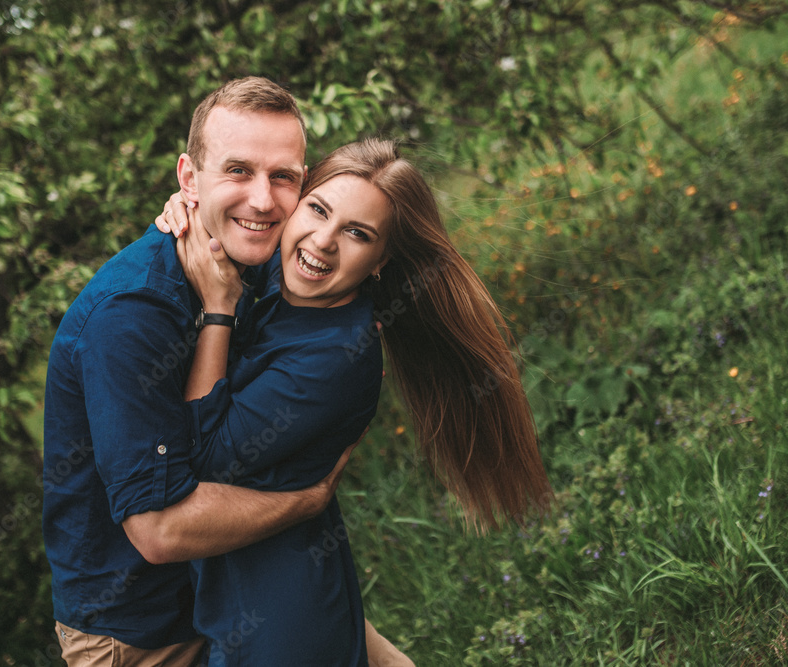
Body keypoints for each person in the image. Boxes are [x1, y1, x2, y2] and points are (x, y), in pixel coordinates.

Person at [160, 138, 554, 664]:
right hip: (257, 598)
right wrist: (189, 202)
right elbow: (233, 219)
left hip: (276, 629)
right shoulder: (286, 277)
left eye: (357, 233)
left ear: (380, 261)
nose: (322, 241)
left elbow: (200, 457)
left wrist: (217, 309)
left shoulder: (337, 358)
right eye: (319, 210)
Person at [43, 77, 358, 665]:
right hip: (142, 631)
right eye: (237, 171)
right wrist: (307, 500)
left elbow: (363, 247)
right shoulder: (129, 318)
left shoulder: (263, 257)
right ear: (189, 179)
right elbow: (158, 533)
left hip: (238, 586)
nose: (263, 199)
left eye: (283, 176)